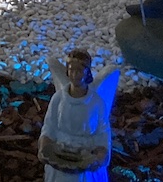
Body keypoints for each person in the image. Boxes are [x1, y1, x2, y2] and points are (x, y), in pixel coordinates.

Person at [38, 50, 120, 182]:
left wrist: (100, 154)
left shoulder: (96, 103)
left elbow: (102, 132)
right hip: (60, 155)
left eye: (79, 71)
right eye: (71, 70)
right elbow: (49, 126)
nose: (75, 75)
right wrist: (44, 144)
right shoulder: (58, 99)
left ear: (87, 72)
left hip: (86, 157)